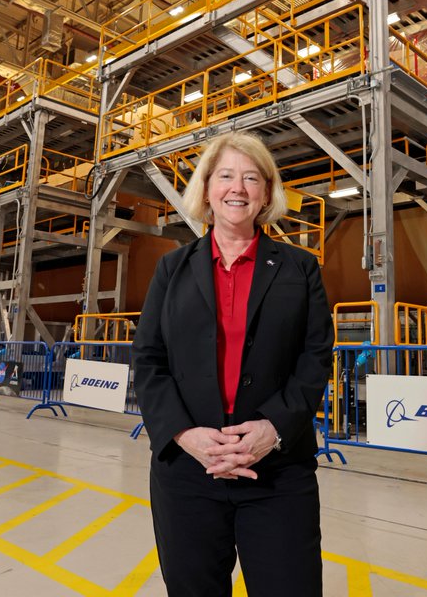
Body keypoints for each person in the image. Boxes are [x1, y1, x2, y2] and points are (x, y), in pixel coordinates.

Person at [132, 131, 334, 596]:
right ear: (206, 189)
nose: (237, 188)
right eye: (225, 176)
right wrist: (185, 434)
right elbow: (149, 358)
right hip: (189, 471)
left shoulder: (300, 268)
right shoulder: (171, 269)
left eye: (251, 178)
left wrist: (273, 428)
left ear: (266, 193)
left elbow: (315, 355)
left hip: (277, 469)